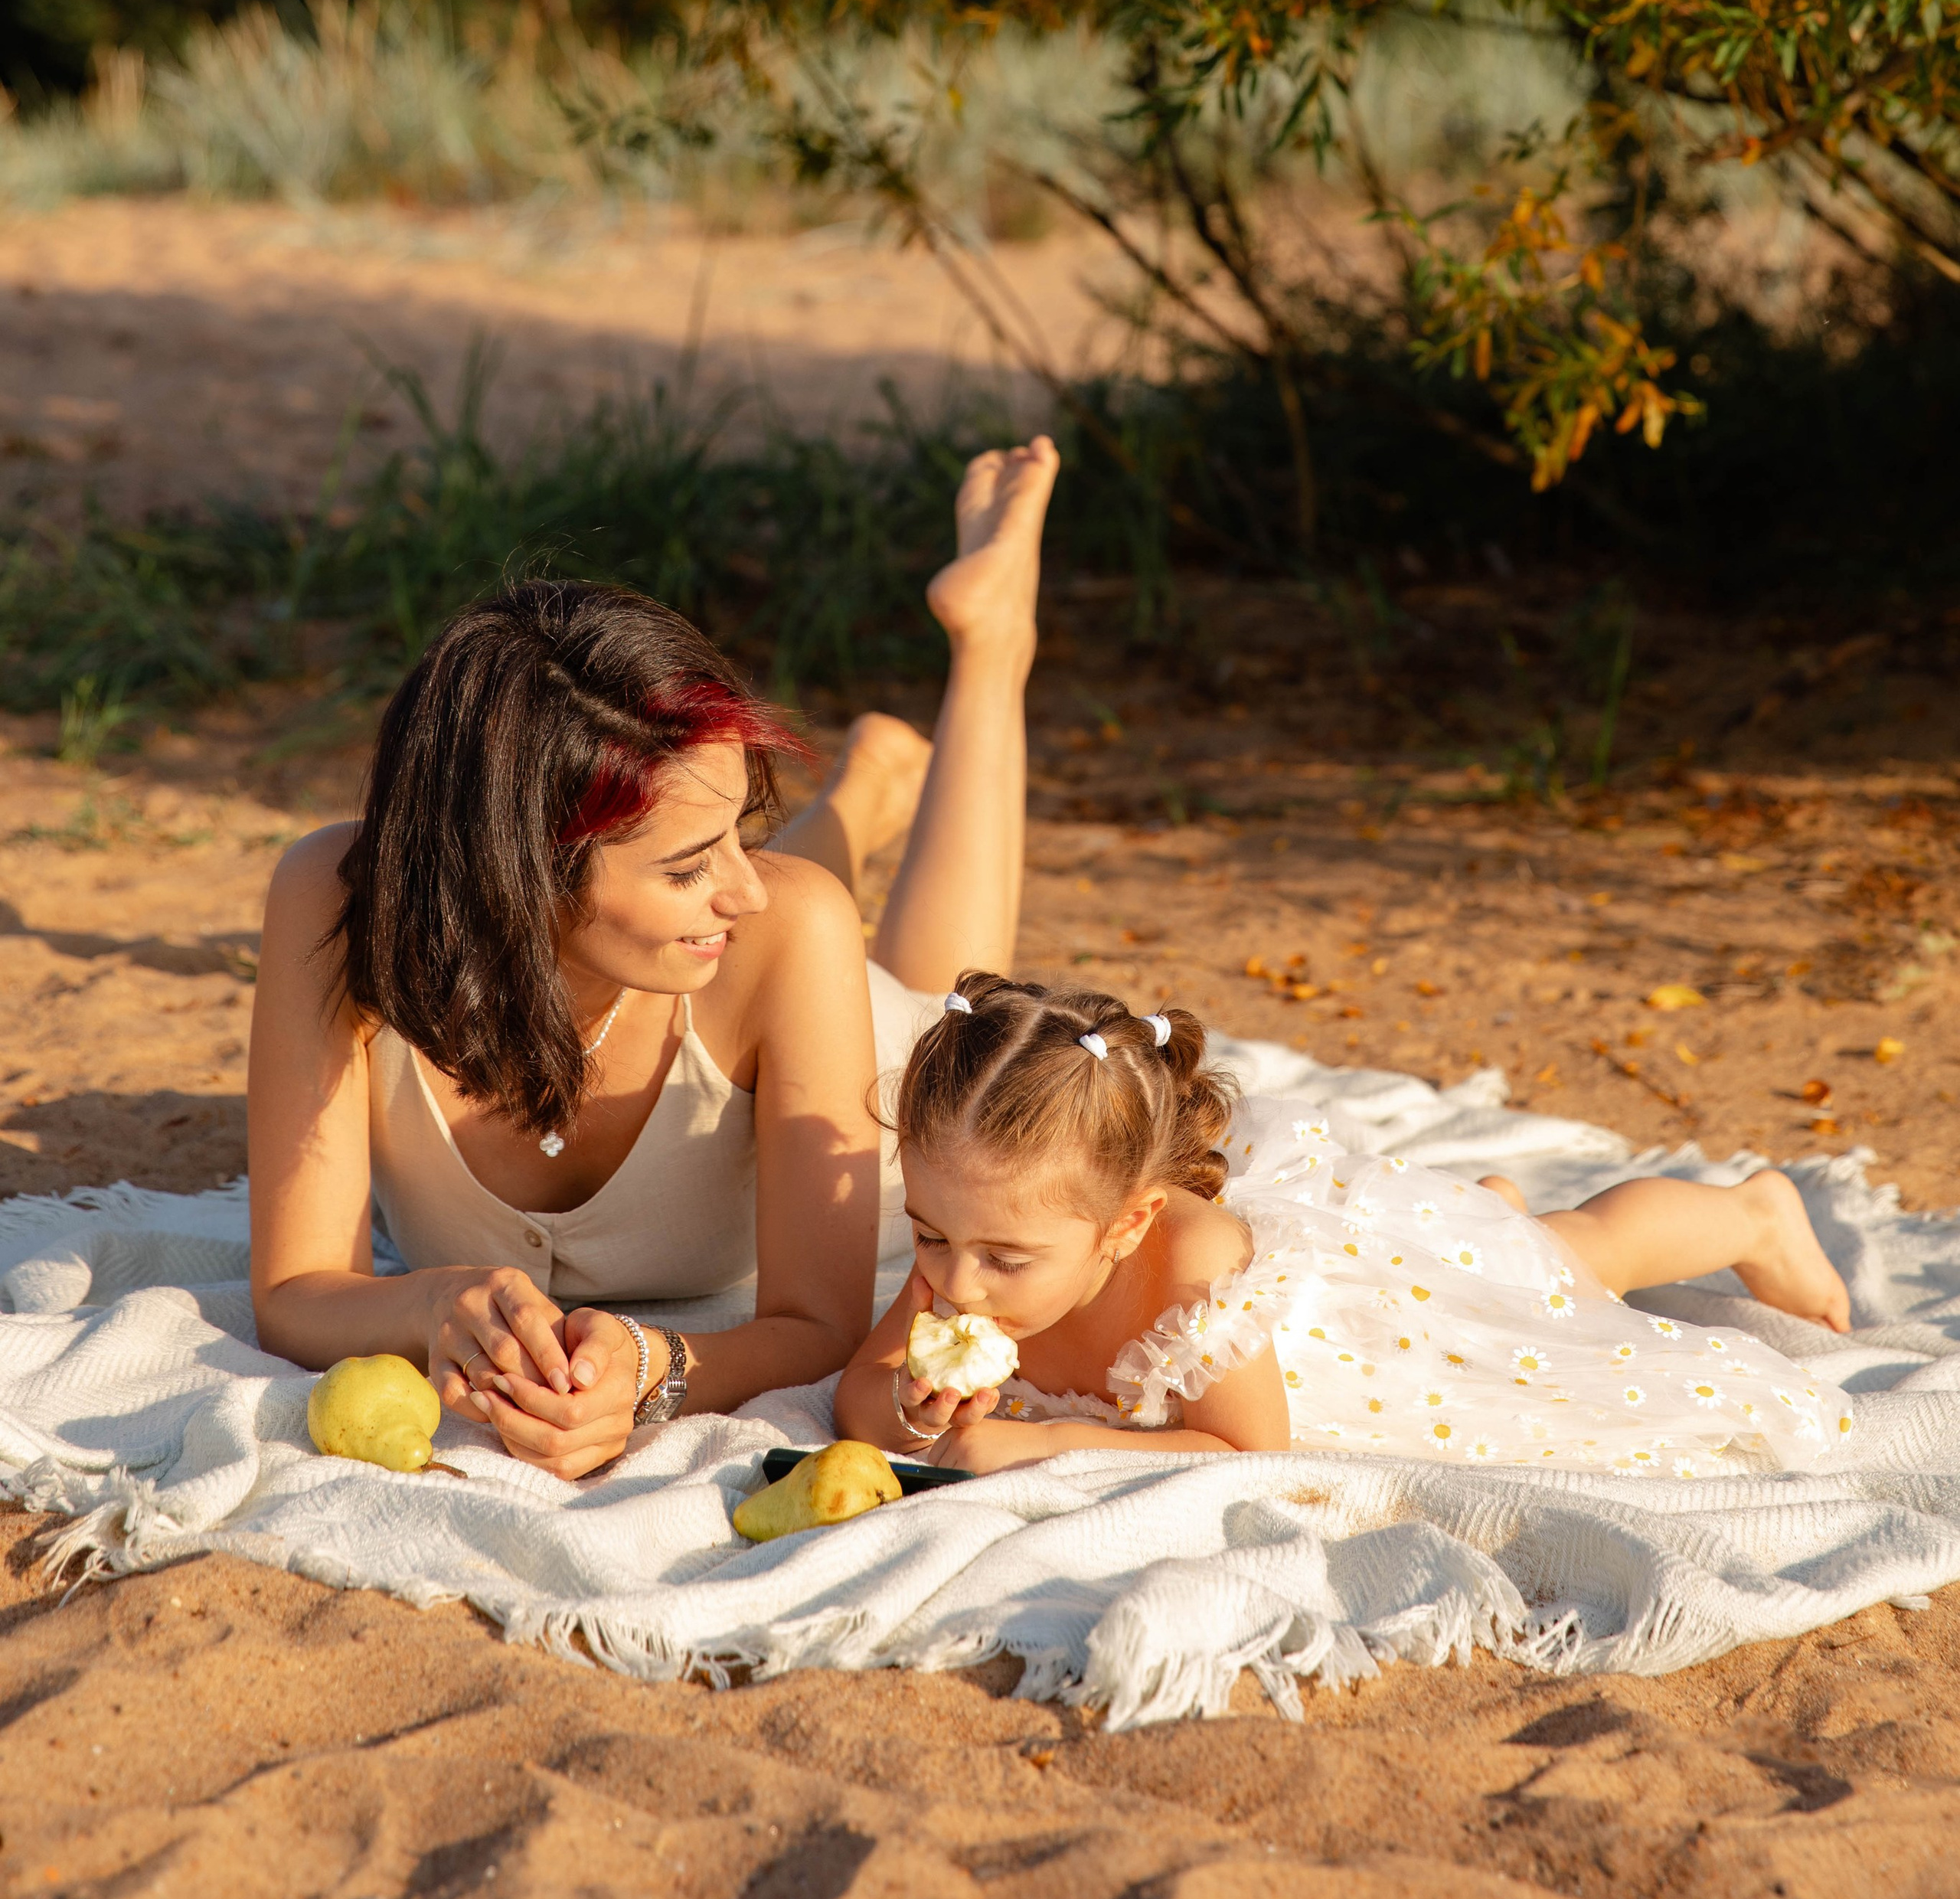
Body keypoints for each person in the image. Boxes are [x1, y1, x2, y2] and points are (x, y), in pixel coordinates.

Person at [247, 436, 1059, 1479]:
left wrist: (655, 1368)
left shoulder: (787, 926)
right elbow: (296, 1291)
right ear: (521, 874)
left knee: (941, 996)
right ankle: (861, 796)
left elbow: (819, 1324)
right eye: (689, 864)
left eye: (738, 833)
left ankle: (992, 646)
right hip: (701, 963)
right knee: (779, 900)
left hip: (838, 1022)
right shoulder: (335, 901)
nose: (745, 886)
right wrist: (432, 1301)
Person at [834, 971, 1860, 1478]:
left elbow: (1245, 1446)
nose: (956, 1282)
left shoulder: (1194, 1263)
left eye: (1006, 1258)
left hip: (1385, 1324)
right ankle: (1492, 1208)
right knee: (1519, 1231)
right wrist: (916, 1414)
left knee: (1570, 1260)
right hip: (1371, 1266)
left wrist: (1046, 1444)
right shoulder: (963, 1256)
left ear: (1125, 1225)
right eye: (929, 1235)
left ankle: (1754, 1214)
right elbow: (859, 1397)